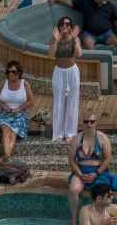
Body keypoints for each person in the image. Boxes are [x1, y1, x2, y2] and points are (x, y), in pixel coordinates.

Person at [68, 114, 113, 222]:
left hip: (98, 171)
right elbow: (72, 161)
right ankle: (74, 219)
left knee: (105, 193)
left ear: (96, 123)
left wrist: (96, 173)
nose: (89, 124)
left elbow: (107, 159)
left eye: (92, 122)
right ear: (82, 123)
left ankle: (99, 218)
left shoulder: (102, 138)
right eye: (86, 121)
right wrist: (79, 174)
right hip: (81, 171)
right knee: (73, 190)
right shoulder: (76, 139)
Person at [0, 62, 32, 163]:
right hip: (5, 113)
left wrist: (19, 108)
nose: (10, 74)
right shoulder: (3, 83)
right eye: (8, 72)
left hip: (20, 114)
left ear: (19, 73)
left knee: (13, 133)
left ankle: (6, 156)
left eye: (13, 72)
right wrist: (3, 106)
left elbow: (31, 101)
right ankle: (7, 156)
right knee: (6, 130)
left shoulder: (24, 84)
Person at [50, 15, 82, 143]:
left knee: (72, 102)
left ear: (71, 27)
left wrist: (74, 39)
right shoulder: (55, 39)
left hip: (72, 71)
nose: (65, 26)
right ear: (59, 27)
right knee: (58, 102)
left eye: (68, 24)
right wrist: (56, 40)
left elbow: (79, 54)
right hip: (59, 72)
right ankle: (57, 134)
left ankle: (70, 133)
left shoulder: (75, 39)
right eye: (62, 24)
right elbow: (51, 55)